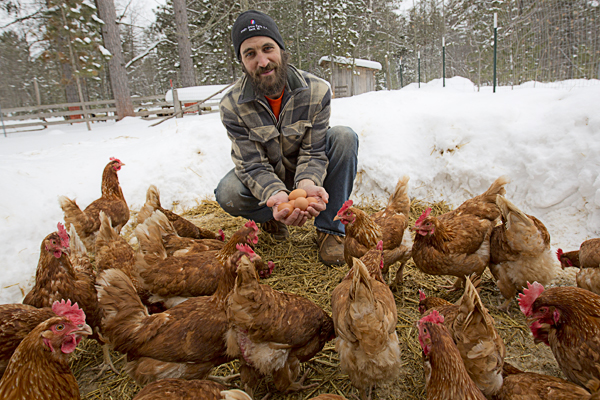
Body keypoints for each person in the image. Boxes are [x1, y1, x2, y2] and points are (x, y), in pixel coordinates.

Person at [214, 10, 358, 266]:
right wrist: (277, 196)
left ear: (281, 48)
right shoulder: (231, 105)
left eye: (267, 48)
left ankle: (330, 232)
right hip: (267, 176)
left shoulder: (317, 90)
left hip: (306, 172)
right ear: (242, 62)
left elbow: (314, 151)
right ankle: (271, 215)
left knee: (344, 137)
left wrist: (306, 185)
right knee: (229, 192)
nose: (262, 61)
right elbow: (252, 164)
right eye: (250, 54)